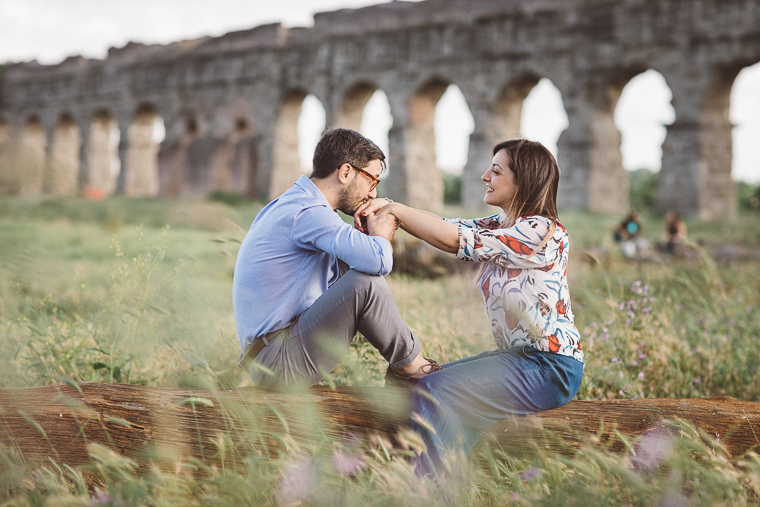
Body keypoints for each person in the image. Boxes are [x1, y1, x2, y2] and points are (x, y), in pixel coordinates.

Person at [356, 139, 584, 476]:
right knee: (414, 380)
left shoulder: (542, 231)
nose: (483, 176)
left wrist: (396, 212)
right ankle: (415, 473)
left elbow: (455, 240)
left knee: (438, 388)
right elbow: (450, 226)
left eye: (495, 170)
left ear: (524, 180)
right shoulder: (501, 225)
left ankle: (429, 495)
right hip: (519, 359)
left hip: (551, 366)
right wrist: (390, 208)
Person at [232, 128, 439, 392]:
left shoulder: (292, 204)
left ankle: (410, 367)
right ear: (345, 173)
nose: (373, 194)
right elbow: (379, 262)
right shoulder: (308, 212)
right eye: (372, 181)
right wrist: (381, 234)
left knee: (358, 275)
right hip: (277, 362)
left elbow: (340, 281)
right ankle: (413, 370)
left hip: (273, 354)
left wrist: (361, 236)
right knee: (366, 283)